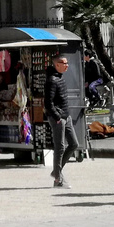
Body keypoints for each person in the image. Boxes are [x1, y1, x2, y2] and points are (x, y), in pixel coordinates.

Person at [43, 54, 79, 189]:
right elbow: (48, 103)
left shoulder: (60, 77)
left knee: (74, 144)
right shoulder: (52, 80)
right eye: (64, 63)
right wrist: (57, 118)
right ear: (57, 64)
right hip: (58, 118)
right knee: (60, 147)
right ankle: (58, 179)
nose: (67, 65)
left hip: (66, 115)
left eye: (67, 63)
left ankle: (56, 172)